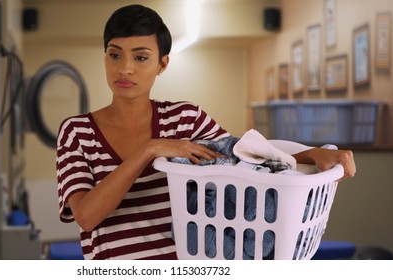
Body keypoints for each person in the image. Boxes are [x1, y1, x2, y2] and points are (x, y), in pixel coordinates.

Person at [56, 4, 356, 260]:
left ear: (162, 64)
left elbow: (247, 162)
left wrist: (316, 154)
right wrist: (150, 149)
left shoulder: (185, 118)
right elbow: (87, 215)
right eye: (115, 55)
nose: (125, 69)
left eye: (141, 57)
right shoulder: (77, 132)